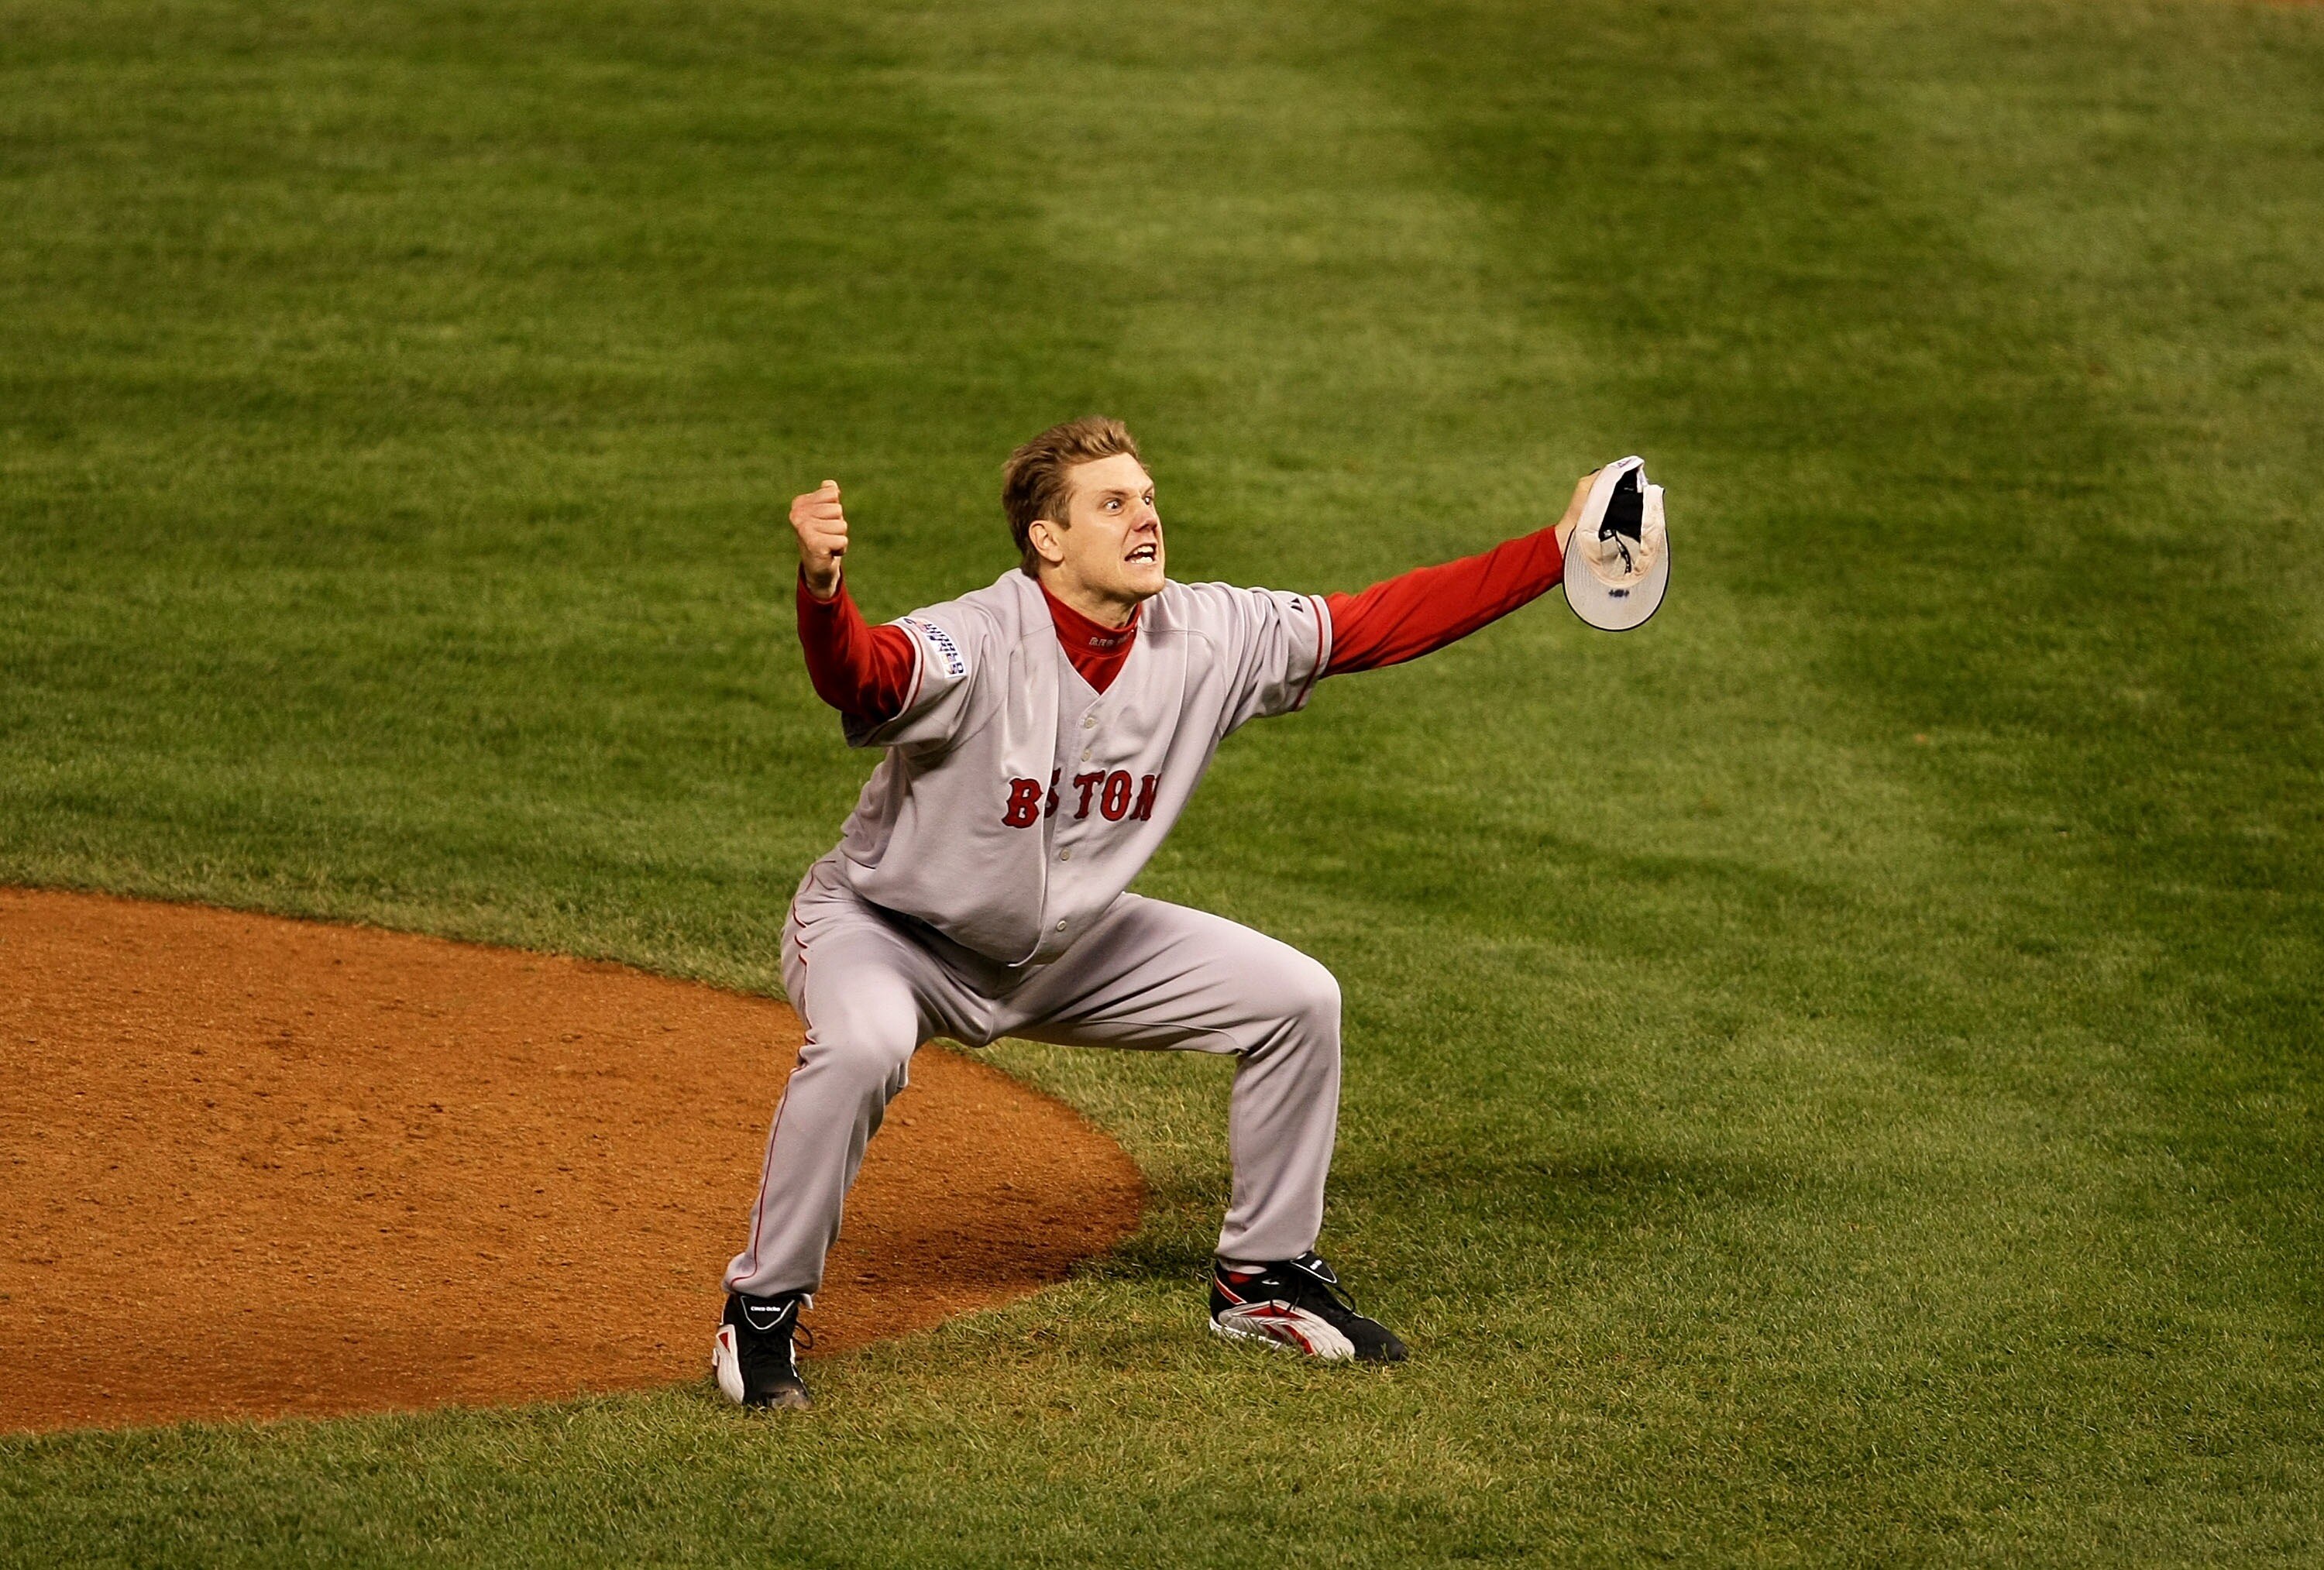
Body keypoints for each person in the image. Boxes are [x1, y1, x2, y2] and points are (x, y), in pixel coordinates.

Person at [714, 416, 1599, 1409]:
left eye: (1147, 497)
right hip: (884, 931)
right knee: (867, 1041)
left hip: (1063, 946)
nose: (1147, 517)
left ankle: (1262, 1280)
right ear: (1047, 539)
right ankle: (762, 1314)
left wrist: (1553, 553)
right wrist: (824, 594)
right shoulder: (975, 635)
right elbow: (863, 673)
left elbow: (1375, 623)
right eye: (1113, 502)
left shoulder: (1209, 632)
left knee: (1296, 998)